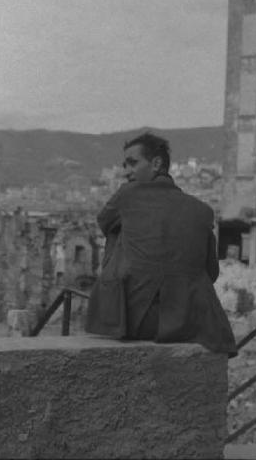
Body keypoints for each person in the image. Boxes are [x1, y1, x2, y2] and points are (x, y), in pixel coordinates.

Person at [85, 131, 237, 357]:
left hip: (136, 321)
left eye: (132, 163)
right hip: (193, 323)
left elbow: (104, 223)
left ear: (156, 163)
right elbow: (211, 272)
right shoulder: (202, 211)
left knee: (117, 231)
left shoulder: (127, 195)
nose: (127, 172)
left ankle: (112, 305)